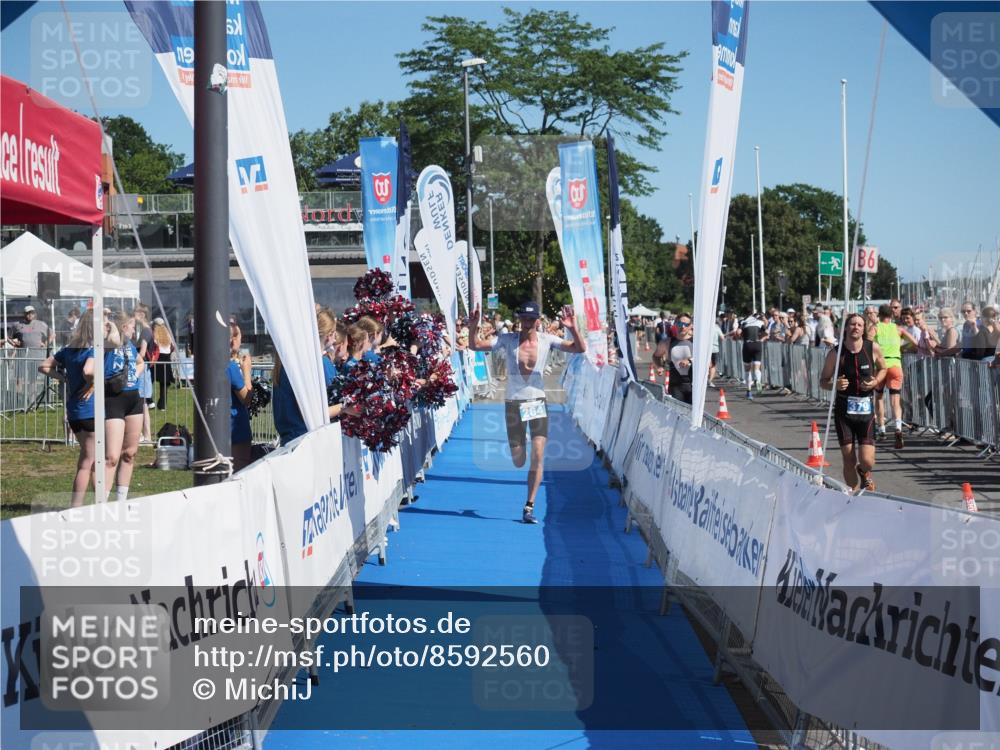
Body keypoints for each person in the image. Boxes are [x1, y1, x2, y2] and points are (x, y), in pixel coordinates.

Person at [469, 301, 585, 524]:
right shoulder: (507, 340)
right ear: (519, 319)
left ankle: (529, 506)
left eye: (531, 319)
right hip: (513, 402)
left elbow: (580, 349)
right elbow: (474, 346)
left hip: (537, 401)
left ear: (538, 321)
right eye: (523, 318)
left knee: (539, 454)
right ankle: (517, 448)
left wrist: (572, 327)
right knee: (519, 460)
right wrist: (473, 326)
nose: (527, 322)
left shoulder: (547, 340)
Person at [820, 313, 887, 493]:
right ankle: (853, 494)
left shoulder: (872, 348)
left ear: (863, 329)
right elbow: (823, 381)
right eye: (852, 324)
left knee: (867, 461)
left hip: (866, 411)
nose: (856, 327)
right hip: (844, 412)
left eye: (859, 325)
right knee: (848, 458)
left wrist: (876, 381)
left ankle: (864, 472)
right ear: (846, 328)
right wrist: (834, 384)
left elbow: (883, 368)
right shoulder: (836, 353)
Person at [38, 309, 99, 506]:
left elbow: (44, 366)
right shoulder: (93, 349)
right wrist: (92, 383)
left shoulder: (68, 349)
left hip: (74, 411)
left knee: (92, 461)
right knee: (88, 462)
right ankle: (76, 507)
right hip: (90, 410)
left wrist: (63, 377)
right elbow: (88, 371)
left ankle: (98, 503)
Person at [272, 309, 342, 445]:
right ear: (329, 335)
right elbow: (313, 413)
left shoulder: (288, 363)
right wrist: (345, 407)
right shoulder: (307, 365)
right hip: (304, 441)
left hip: (292, 440)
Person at [104, 312, 145, 502]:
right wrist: (112, 324)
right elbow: (111, 336)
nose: (134, 329)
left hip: (133, 399)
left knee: (130, 453)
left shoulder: (129, 345)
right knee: (111, 456)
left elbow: (140, 362)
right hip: (113, 399)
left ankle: (122, 500)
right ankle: (101, 502)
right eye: (131, 326)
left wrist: (134, 375)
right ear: (122, 327)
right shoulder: (110, 341)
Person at [873, 304, 909, 448]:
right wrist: (902, 348)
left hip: (881, 366)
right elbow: (914, 342)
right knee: (895, 399)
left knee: (879, 397)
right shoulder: (898, 329)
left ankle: (881, 429)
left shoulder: (875, 328)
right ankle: (898, 427)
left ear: (879, 315)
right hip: (895, 364)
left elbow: (867, 344)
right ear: (892, 315)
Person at [228, 323, 253, 472]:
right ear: (232, 340)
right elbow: (246, 398)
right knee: (239, 473)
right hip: (236, 430)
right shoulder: (230, 367)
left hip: (218, 429)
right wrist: (247, 372)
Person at [132, 303, 155, 439]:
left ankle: (146, 435)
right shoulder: (146, 330)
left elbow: (142, 352)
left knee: (142, 403)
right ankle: (145, 435)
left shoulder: (146, 331)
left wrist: (131, 359)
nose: (133, 316)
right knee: (142, 403)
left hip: (142, 368)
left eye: (135, 313)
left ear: (142, 314)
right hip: (143, 368)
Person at [735, 311, 765, 399]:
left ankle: (749, 391)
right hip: (757, 344)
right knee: (757, 367)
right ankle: (758, 381)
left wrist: (741, 336)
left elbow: (738, 332)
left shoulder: (744, 321)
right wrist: (761, 338)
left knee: (747, 370)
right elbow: (766, 332)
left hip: (747, 344)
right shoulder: (760, 322)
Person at [667, 313, 694, 404]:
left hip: (694, 385)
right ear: (675, 324)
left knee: (693, 416)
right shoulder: (668, 342)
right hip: (675, 385)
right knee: (679, 414)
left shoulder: (696, 342)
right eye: (679, 324)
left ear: (690, 326)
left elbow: (708, 363)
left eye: (686, 324)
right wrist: (659, 365)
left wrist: (689, 360)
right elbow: (656, 356)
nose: (682, 327)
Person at [150, 318, 174, 411]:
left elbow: (153, 346)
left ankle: (149, 400)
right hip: (166, 360)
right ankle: (163, 405)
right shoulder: (168, 334)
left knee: (149, 380)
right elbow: (172, 347)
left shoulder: (154, 334)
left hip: (157, 359)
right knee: (164, 384)